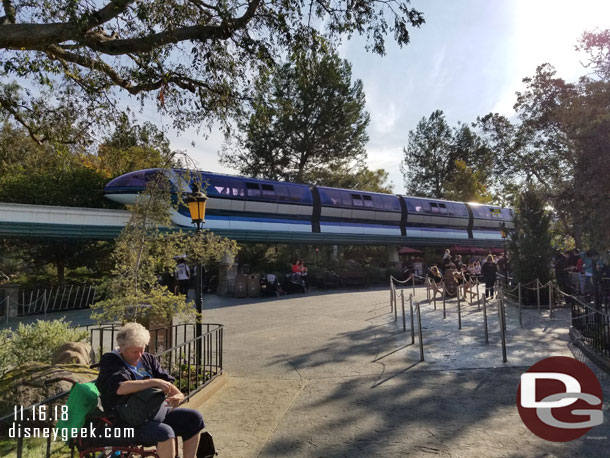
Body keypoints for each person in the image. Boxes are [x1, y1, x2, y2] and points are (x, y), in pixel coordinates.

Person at [96, 323, 204, 458]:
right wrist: (152, 382)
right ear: (122, 348)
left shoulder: (147, 358)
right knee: (165, 432)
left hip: (155, 413)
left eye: (142, 350)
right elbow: (120, 388)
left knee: (194, 418)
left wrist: (178, 395)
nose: (140, 355)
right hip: (126, 421)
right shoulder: (111, 361)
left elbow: (166, 382)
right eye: (135, 352)